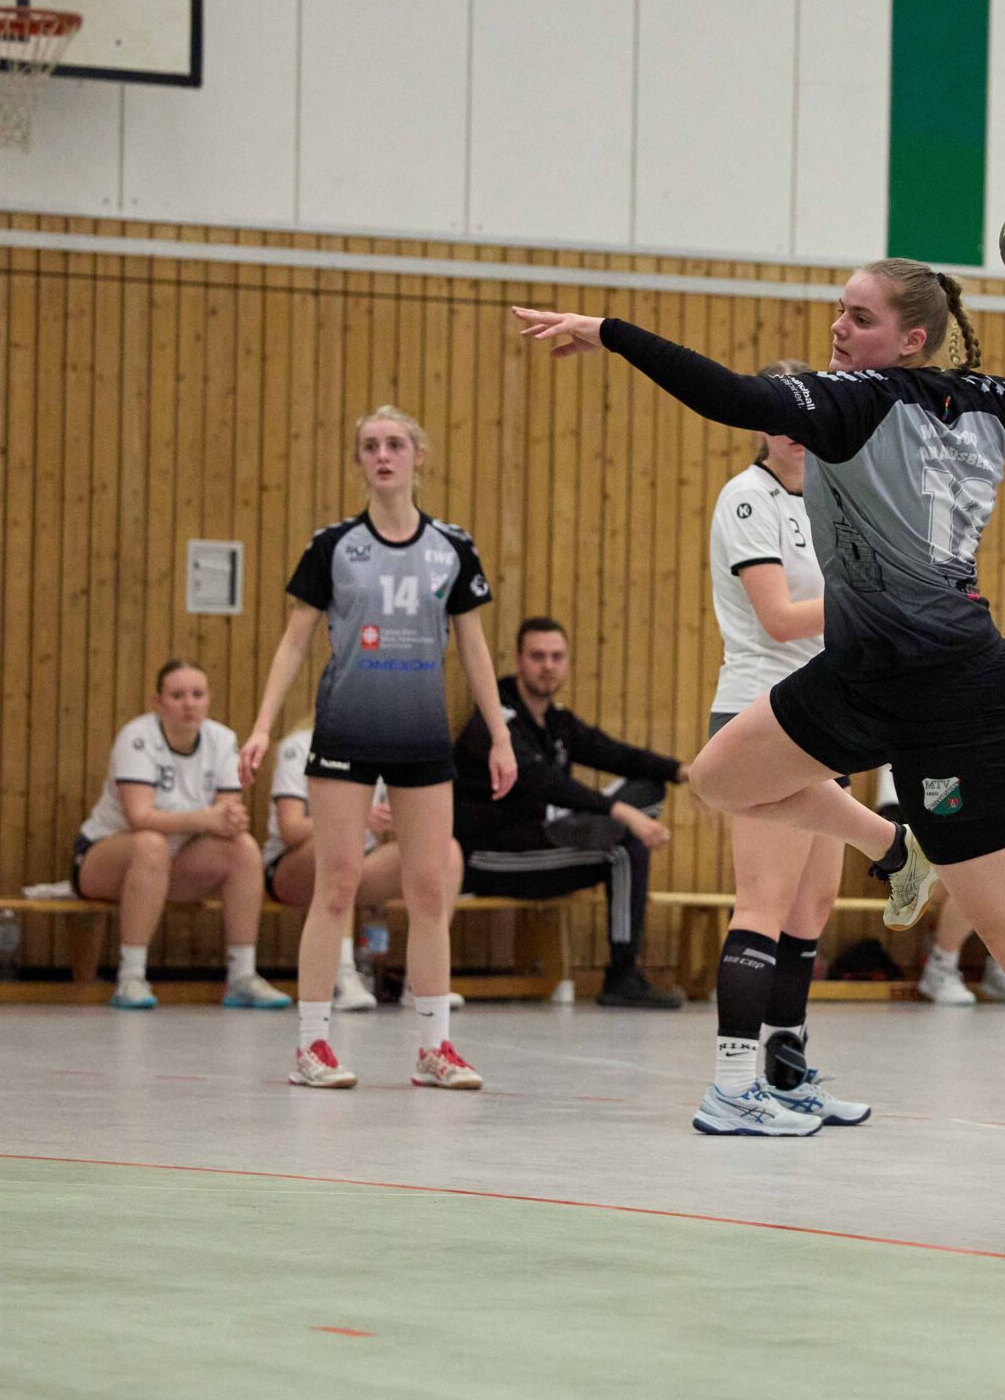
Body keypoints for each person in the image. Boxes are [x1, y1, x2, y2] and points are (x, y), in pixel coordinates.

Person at [513, 206, 1005, 1250]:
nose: (838, 328)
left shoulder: (858, 400)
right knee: (720, 776)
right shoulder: (987, 399)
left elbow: (734, 396)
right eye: (838, 312)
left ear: (909, 338)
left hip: (958, 692)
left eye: (859, 317)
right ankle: (891, 844)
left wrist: (611, 332)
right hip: (859, 670)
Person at [240, 406, 513, 1089]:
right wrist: (263, 724)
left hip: (421, 734)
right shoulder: (333, 546)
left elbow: (474, 647)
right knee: (337, 882)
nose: (383, 455)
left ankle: (434, 1048)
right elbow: (295, 642)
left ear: (419, 456)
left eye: (394, 444)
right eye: (369, 446)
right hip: (346, 732)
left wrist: (501, 735)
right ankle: (312, 1045)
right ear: (359, 461)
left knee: (429, 887)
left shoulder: (452, 547)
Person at [696, 374, 870, 1133]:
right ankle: (731, 1089)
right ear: (760, 427)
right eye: (780, 416)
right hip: (761, 716)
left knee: (810, 906)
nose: (796, 429)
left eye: (808, 415)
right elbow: (777, 618)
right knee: (763, 904)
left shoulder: (834, 498)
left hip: (823, 715)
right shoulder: (748, 498)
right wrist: (876, 603)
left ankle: (785, 1074)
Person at [454, 617, 687, 1011]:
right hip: (489, 856)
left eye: (556, 657)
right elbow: (546, 783)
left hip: (546, 839)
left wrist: (682, 771)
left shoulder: (556, 721)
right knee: (624, 849)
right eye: (538, 657)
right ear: (519, 660)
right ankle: (623, 977)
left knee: (650, 786)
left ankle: (589, 827)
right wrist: (622, 813)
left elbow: (612, 753)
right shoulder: (496, 722)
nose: (548, 666)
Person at [74, 661, 291, 1012]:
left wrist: (225, 819)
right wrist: (205, 818)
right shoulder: (138, 737)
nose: (189, 704)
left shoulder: (222, 739)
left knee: (243, 848)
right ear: (157, 702)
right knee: (151, 843)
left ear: (209, 699)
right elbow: (140, 816)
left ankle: (242, 976)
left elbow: (228, 817)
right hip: (104, 857)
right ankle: (131, 977)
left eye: (197, 694)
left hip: (175, 861)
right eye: (177, 696)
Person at [263, 724, 468, 1012]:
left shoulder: (386, 748)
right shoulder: (299, 746)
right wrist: (356, 818)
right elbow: (290, 828)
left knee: (446, 852)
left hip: (357, 863)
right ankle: (341, 978)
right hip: (294, 867)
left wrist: (400, 819)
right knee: (342, 841)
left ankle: (422, 983)